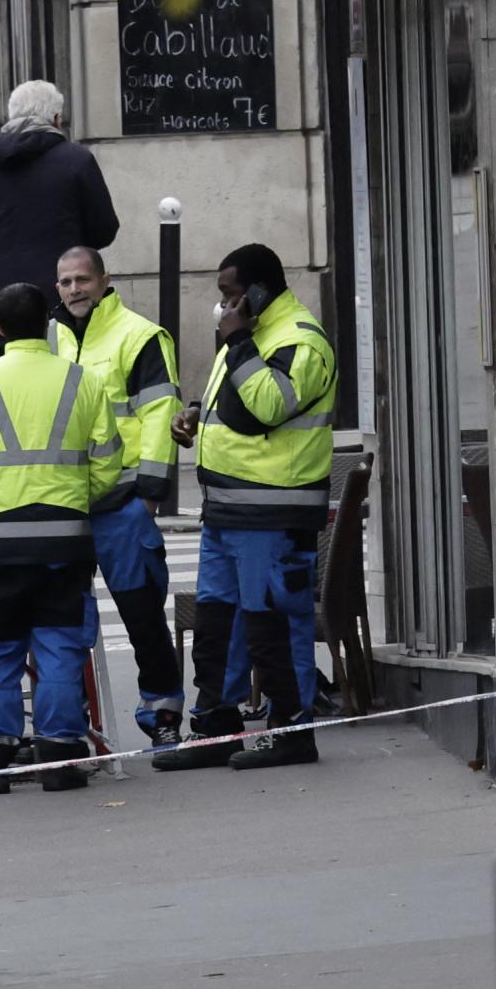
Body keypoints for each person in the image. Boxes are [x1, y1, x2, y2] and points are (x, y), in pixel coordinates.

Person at [0, 281, 122, 793]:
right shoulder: (83, 382)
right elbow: (109, 464)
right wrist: (76, 498)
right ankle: (59, 754)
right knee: (60, 646)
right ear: (48, 326)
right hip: (64, 538)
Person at [155, 243, 338, 772]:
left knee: (273, 623)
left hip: (273, 516)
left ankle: (291, 730)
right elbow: (236, 405)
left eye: (230, 294)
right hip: (227, 511)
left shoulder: (300, 341)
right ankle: (215, 727)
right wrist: (195, 415)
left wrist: (236, 343)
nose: (224, 306)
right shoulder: (249, 338)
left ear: (259, 290)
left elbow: (268, 407)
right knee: (219, 623)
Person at [53, 244, 185, 742]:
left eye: (82, 279)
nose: (73, 290)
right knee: (62, 621)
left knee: (141, 616)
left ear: (105, 279)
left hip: (123, 502)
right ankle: (70, 724)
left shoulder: (139, 335)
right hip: (64, 501)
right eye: (65, 282)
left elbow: (158, 413)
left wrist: (149, 494)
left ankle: (163, 719)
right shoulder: (50, 336)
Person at [0, 81, 118, 328]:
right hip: (65, 299)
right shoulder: (77, 161)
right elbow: (104, 229)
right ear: (56, 119)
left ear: (10, 117)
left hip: (2, 302)